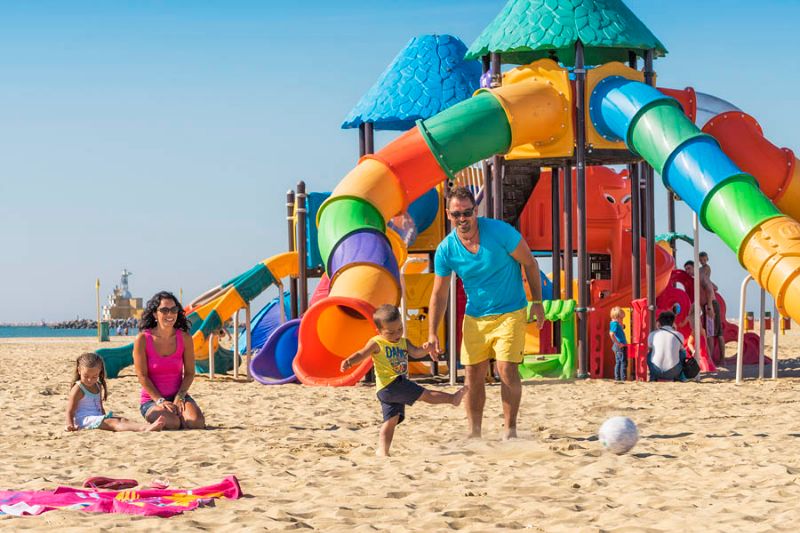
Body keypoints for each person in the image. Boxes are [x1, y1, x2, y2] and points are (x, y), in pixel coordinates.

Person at [427, 186, 545, 439]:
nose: (462, 219)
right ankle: (474, 432)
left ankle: (510, 430)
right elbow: (438, 293)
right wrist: (432, 332)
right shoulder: (446, 249)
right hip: (476, 317)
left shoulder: (501, 232)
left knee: (506, 368)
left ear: (475, 211)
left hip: (510, 311)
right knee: (472, 373)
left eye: (467, 213)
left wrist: (537, 302)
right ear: (449, 215)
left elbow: (529, 262)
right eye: (456, 214)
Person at [339, 304, 466, 456]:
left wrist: (426, 348)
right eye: (391, 332)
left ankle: (383, 451)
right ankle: (452, 399)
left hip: (388, 390)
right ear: (379, 331)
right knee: (425, 395)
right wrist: (350, 361)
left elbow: (417, 353)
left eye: (400, 329)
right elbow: (362, 354)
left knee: (391, 421)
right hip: (392, 384)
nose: (396, 334)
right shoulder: (376, 342)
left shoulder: (404, 342)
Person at [133, 291, 205, 430]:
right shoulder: (142, 339)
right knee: (173, 423)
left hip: (178, 395)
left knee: (196, 423)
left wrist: (180, 397)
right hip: (152, 400)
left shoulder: (184, 338)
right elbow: (142, 376)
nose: (170, 314)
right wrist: (160, 401)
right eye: (164, 310)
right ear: (155, 314)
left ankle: (183, 412)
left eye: (173, 310)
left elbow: (190, 373)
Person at [66, 352, 165, 432]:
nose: (90, 380)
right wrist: (70, 425)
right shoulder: (78, 388)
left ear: (100, 371)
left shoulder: (98, 386)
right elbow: (70, 411)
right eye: (86, 376)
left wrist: (104, 416)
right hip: (84, 420)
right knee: (114, 423)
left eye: (94, 377)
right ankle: (144, 428)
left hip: (96, 417)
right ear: (79, 370)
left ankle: (146, 426)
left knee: (122, 419)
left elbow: (100, 406)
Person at [647, 311, 687, 382]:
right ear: (673, 323)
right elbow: (681, 351)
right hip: (673, 372)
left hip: (656, 371)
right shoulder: (679, 335)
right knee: (682, 352)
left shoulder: (652, 334)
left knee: (650, 353)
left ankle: (652, 377)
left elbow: (650, 348)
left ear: (659, 323)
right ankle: (681, 377)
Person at [698, 252, 724, 361]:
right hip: (711, 304)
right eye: (701, 260)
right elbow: (714, 287)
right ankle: (721, 359)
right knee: (717, 333)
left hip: (710, 306)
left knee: (710, 333)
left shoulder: (703, 274)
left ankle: (711, 359)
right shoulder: (706, 276)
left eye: (704, 260)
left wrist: (709, 307)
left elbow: (709, 291)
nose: (703, 262)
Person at [608, 307, 627, 382]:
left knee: (619, 362)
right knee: (622, 362)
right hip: (619, 346)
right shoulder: (614, 324)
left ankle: (618, 378)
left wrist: (621, 324)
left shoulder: (615, 323)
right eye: (621, 318)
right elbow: (611, 334)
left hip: (619, 345)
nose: (622, 320)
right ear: (616, 317)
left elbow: (621, 328)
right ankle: (622, 378)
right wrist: (618, 343)